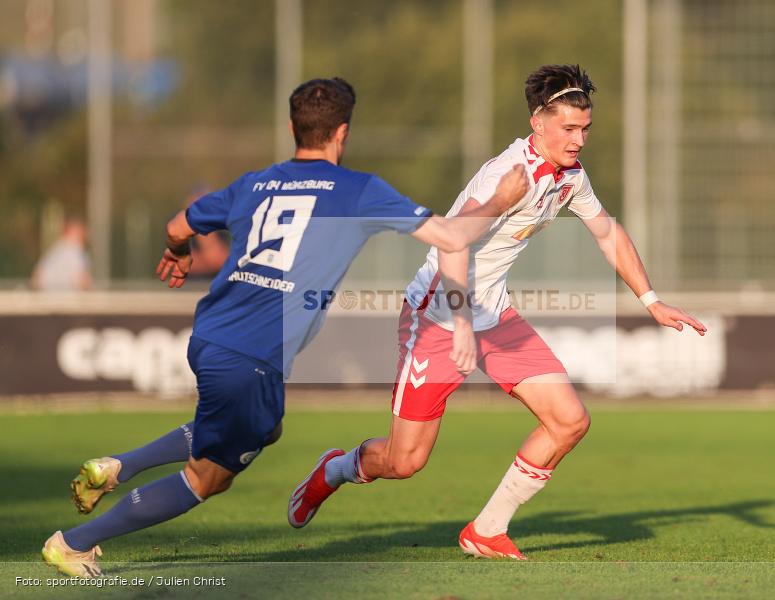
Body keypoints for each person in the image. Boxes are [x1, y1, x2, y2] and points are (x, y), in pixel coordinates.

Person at [41, 77, 528, 577]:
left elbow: (175, 227)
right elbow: (451, 235)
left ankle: (119, 466)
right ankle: (74, 542)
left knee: (266, 428)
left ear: (293, 128)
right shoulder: (358, 189)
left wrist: (179, 253)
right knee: (205, 480)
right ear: (342, 133)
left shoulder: (256, 182)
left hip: (211, 333)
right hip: (252, 356)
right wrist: (499, 200)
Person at [288, 65, 707, 560]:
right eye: (569, 129)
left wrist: (651, 300)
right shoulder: (507, 176)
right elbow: (451, 242)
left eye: (585, 130)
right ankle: (336, 469)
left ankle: (486, 530)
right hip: (438, 315)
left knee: (569, 421)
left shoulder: (570, 175)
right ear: (538, 122)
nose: (578, 141)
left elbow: (606, 232)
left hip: (495, 315)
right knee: (405, 461)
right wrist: (462, 323)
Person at [30, 216, 92, 291]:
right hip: (65, 300)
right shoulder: (73, 250)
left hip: (51, 299)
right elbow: (83, 281)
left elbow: (36, 278)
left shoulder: (57, 249)